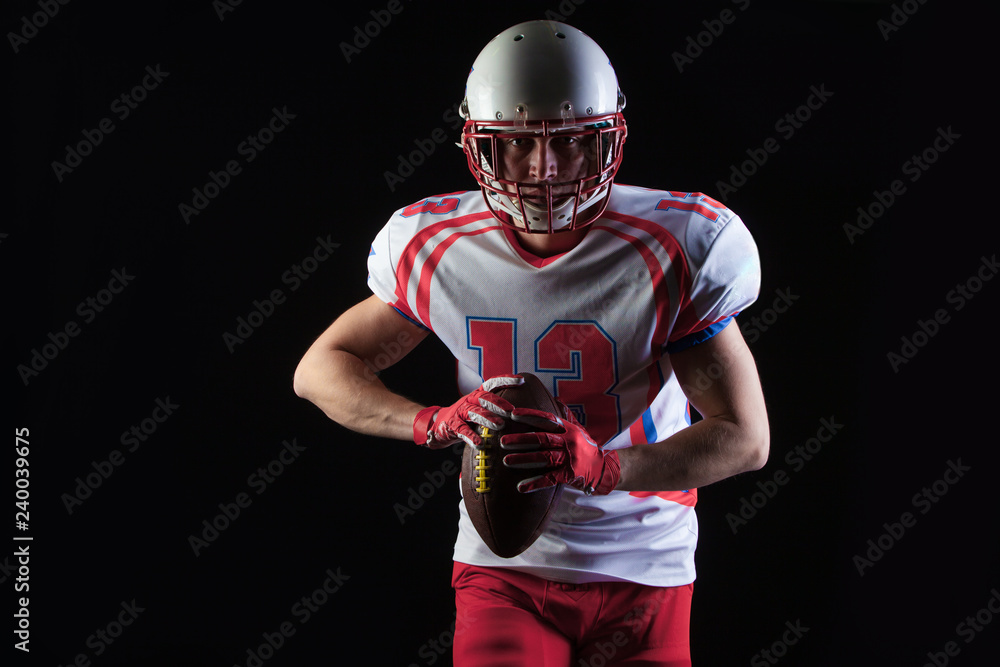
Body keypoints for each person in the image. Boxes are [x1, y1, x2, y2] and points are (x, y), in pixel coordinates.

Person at [294, 19, 769, 666]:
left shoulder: (677, 247)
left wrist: (603, 467)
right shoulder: (436, 247)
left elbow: (745, 437)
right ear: (480, 146)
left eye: (571, 140)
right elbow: (319, 369)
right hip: (505, 565)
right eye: (517, 142)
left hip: (645, 560)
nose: (544, 167)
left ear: (608, 141)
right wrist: (432, 421)